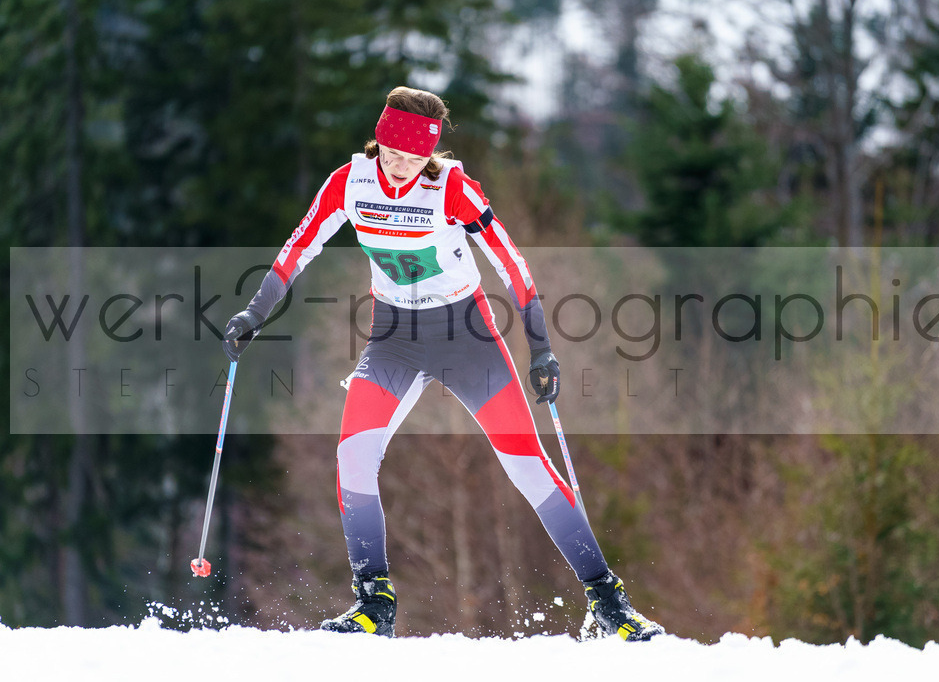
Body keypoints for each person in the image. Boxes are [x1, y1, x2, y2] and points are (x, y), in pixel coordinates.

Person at [222, 85, 664, 641]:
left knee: (527, 467)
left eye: (412, 156)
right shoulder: (349, 183)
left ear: (429, 153)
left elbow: (513, 265)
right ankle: (373, 605)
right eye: (391, 152)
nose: (400, 165)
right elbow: (296, 249)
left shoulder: (451, 188)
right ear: (378, 141)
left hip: (466, 337)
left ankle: (607, 602)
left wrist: (542, 347)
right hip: (393, 340)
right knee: (353, 457)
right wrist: (254, 313)